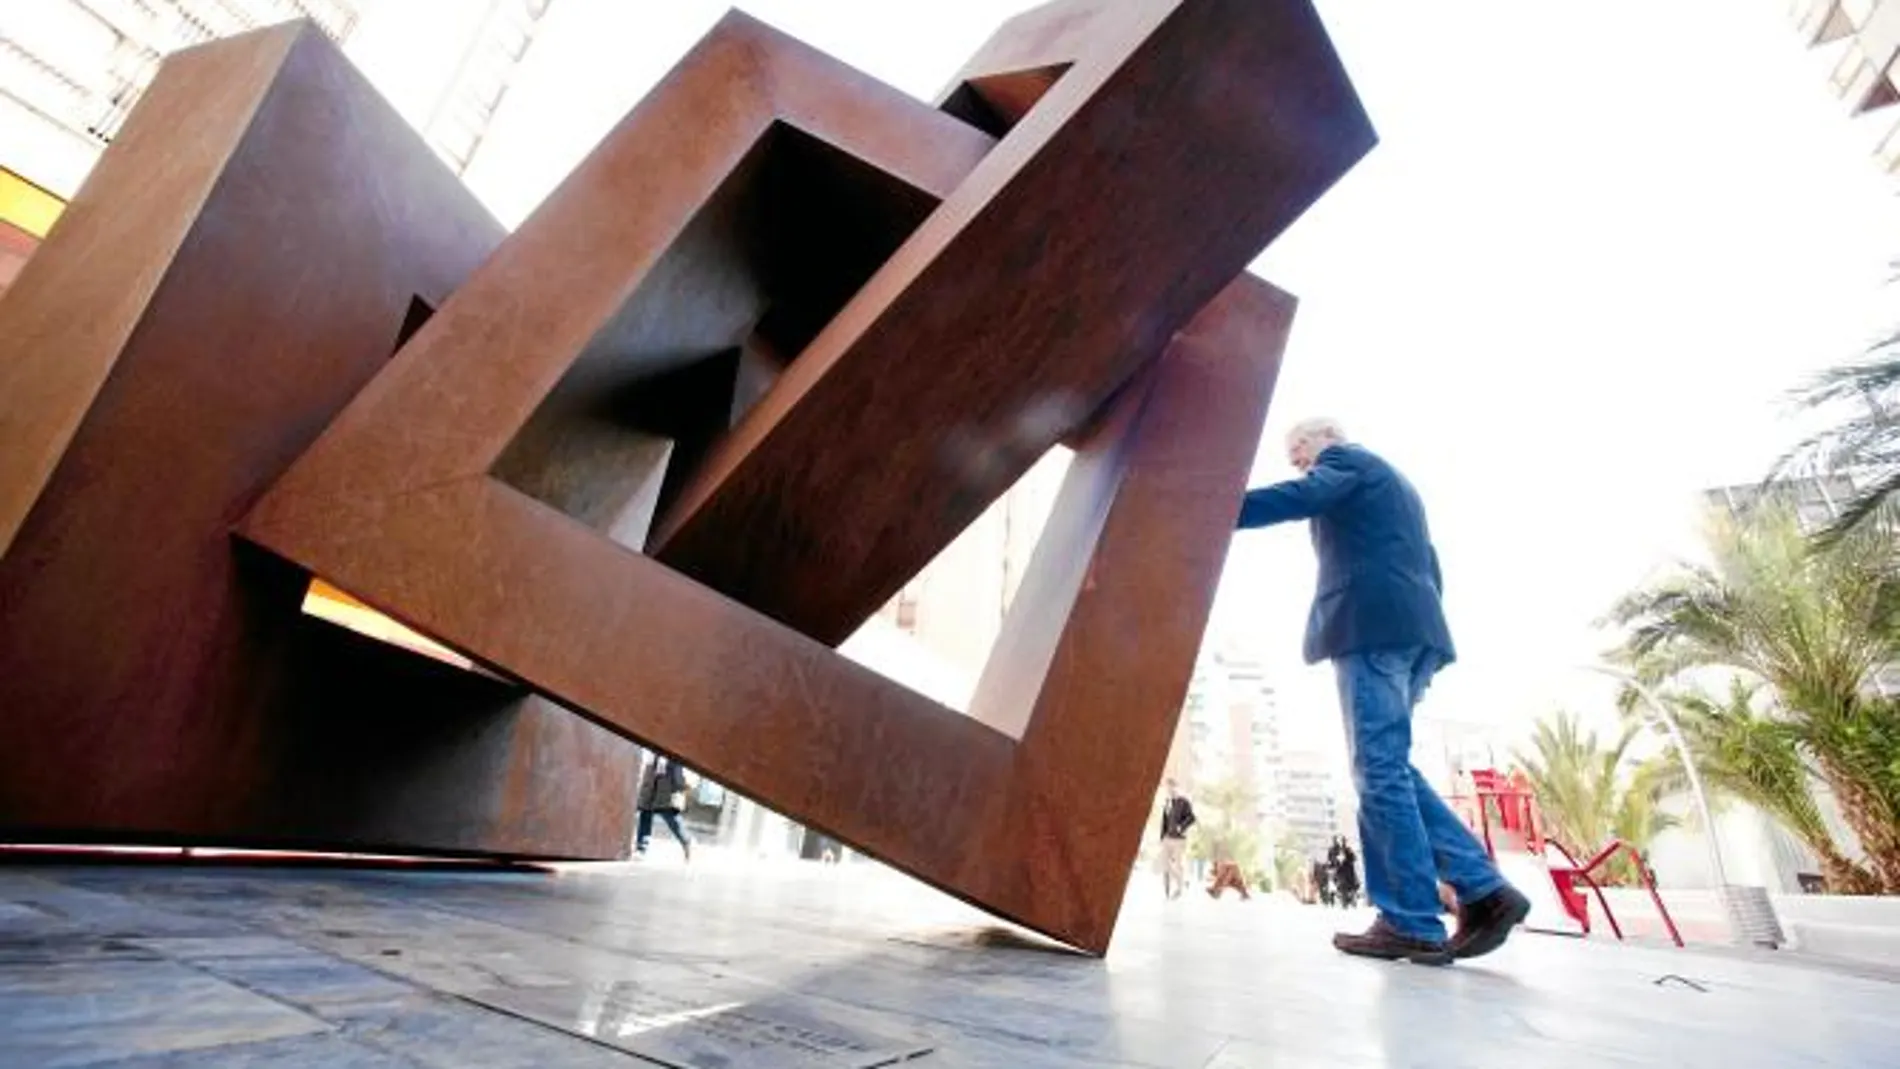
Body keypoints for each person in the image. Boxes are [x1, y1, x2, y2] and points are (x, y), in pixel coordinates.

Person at [1235, 418, 1529, 965]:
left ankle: (1411, 919)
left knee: (1377, 769)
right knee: (1390, 767)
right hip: (1412, 633)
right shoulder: (1399, 487)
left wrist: (1217, 508)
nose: (1297, 461)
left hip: (1373, 629)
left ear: (1325, 436)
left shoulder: (1347, 462)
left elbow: (1306, 495)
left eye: (1297, 448)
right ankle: (1484, 890)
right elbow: (1430, 565)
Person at [635, 754, 693, 861]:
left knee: (669, 814)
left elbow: (680, 773)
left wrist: (681, 785)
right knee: (646, 812)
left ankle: (686, 841)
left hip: (668, 780)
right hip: (652, 777)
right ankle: (641, 848)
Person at [1157, 779, 1196, 900]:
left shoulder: (1184, 801)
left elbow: (1192, 817)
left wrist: (1181, 827)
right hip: (1167, 838)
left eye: (1171, 787)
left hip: (1179, 839)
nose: (1169, 790)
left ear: (1176, 787)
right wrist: (1162, 837)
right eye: (1167, 788)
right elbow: (1164, 821)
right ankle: (1180, 882)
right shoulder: (1167, 802)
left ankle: (1179, 889)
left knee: (1179, 865)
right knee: (1164, 864)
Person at [1330, 836, 1361, 909]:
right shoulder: (1333, 850)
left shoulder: (1348, 849)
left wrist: (1349, 858)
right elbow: (1330, 859)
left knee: (1354, 879)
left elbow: (1353, 858)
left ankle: (1353, 891)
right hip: (1339, 869)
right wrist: (1334, 861)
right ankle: (1335, 890)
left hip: (1348, 869)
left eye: (1344, 841)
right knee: (1333, 878)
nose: (1343, 843)